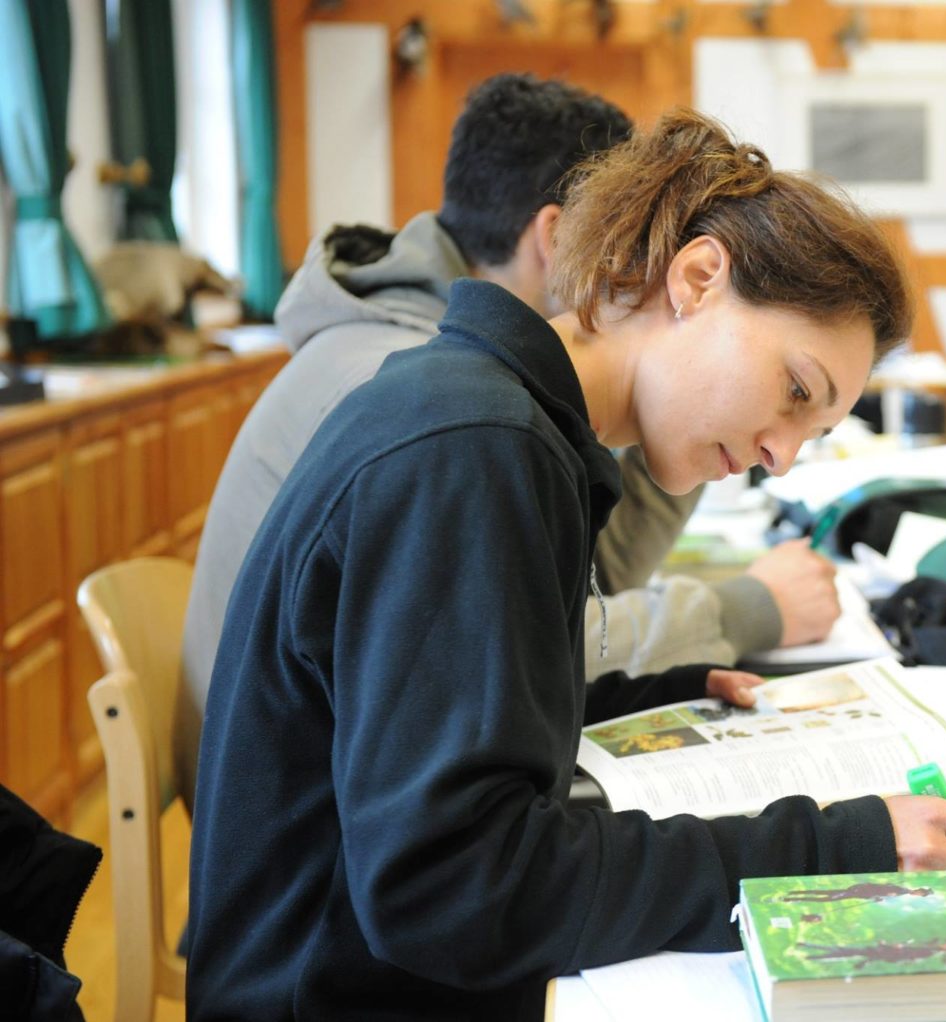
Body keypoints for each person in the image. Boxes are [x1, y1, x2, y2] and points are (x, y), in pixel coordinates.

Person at [184, 109, 946, 1020]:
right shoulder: (476, 448)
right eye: (795, 390)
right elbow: (454, 893)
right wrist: (834, 846)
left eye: (811, 432)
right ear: (698, 279)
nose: (782, 453)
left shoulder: (495, 414)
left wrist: (662, 698)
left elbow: (429, 721)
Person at [177, 75, 840, 808]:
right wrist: (745, 608)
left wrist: (679, 409)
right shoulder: (435, 409)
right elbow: (508, 657)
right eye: (632, 231)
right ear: (560, 239)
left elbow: (582, 584)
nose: (638, 263)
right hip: (298, 815)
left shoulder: (494, 396)